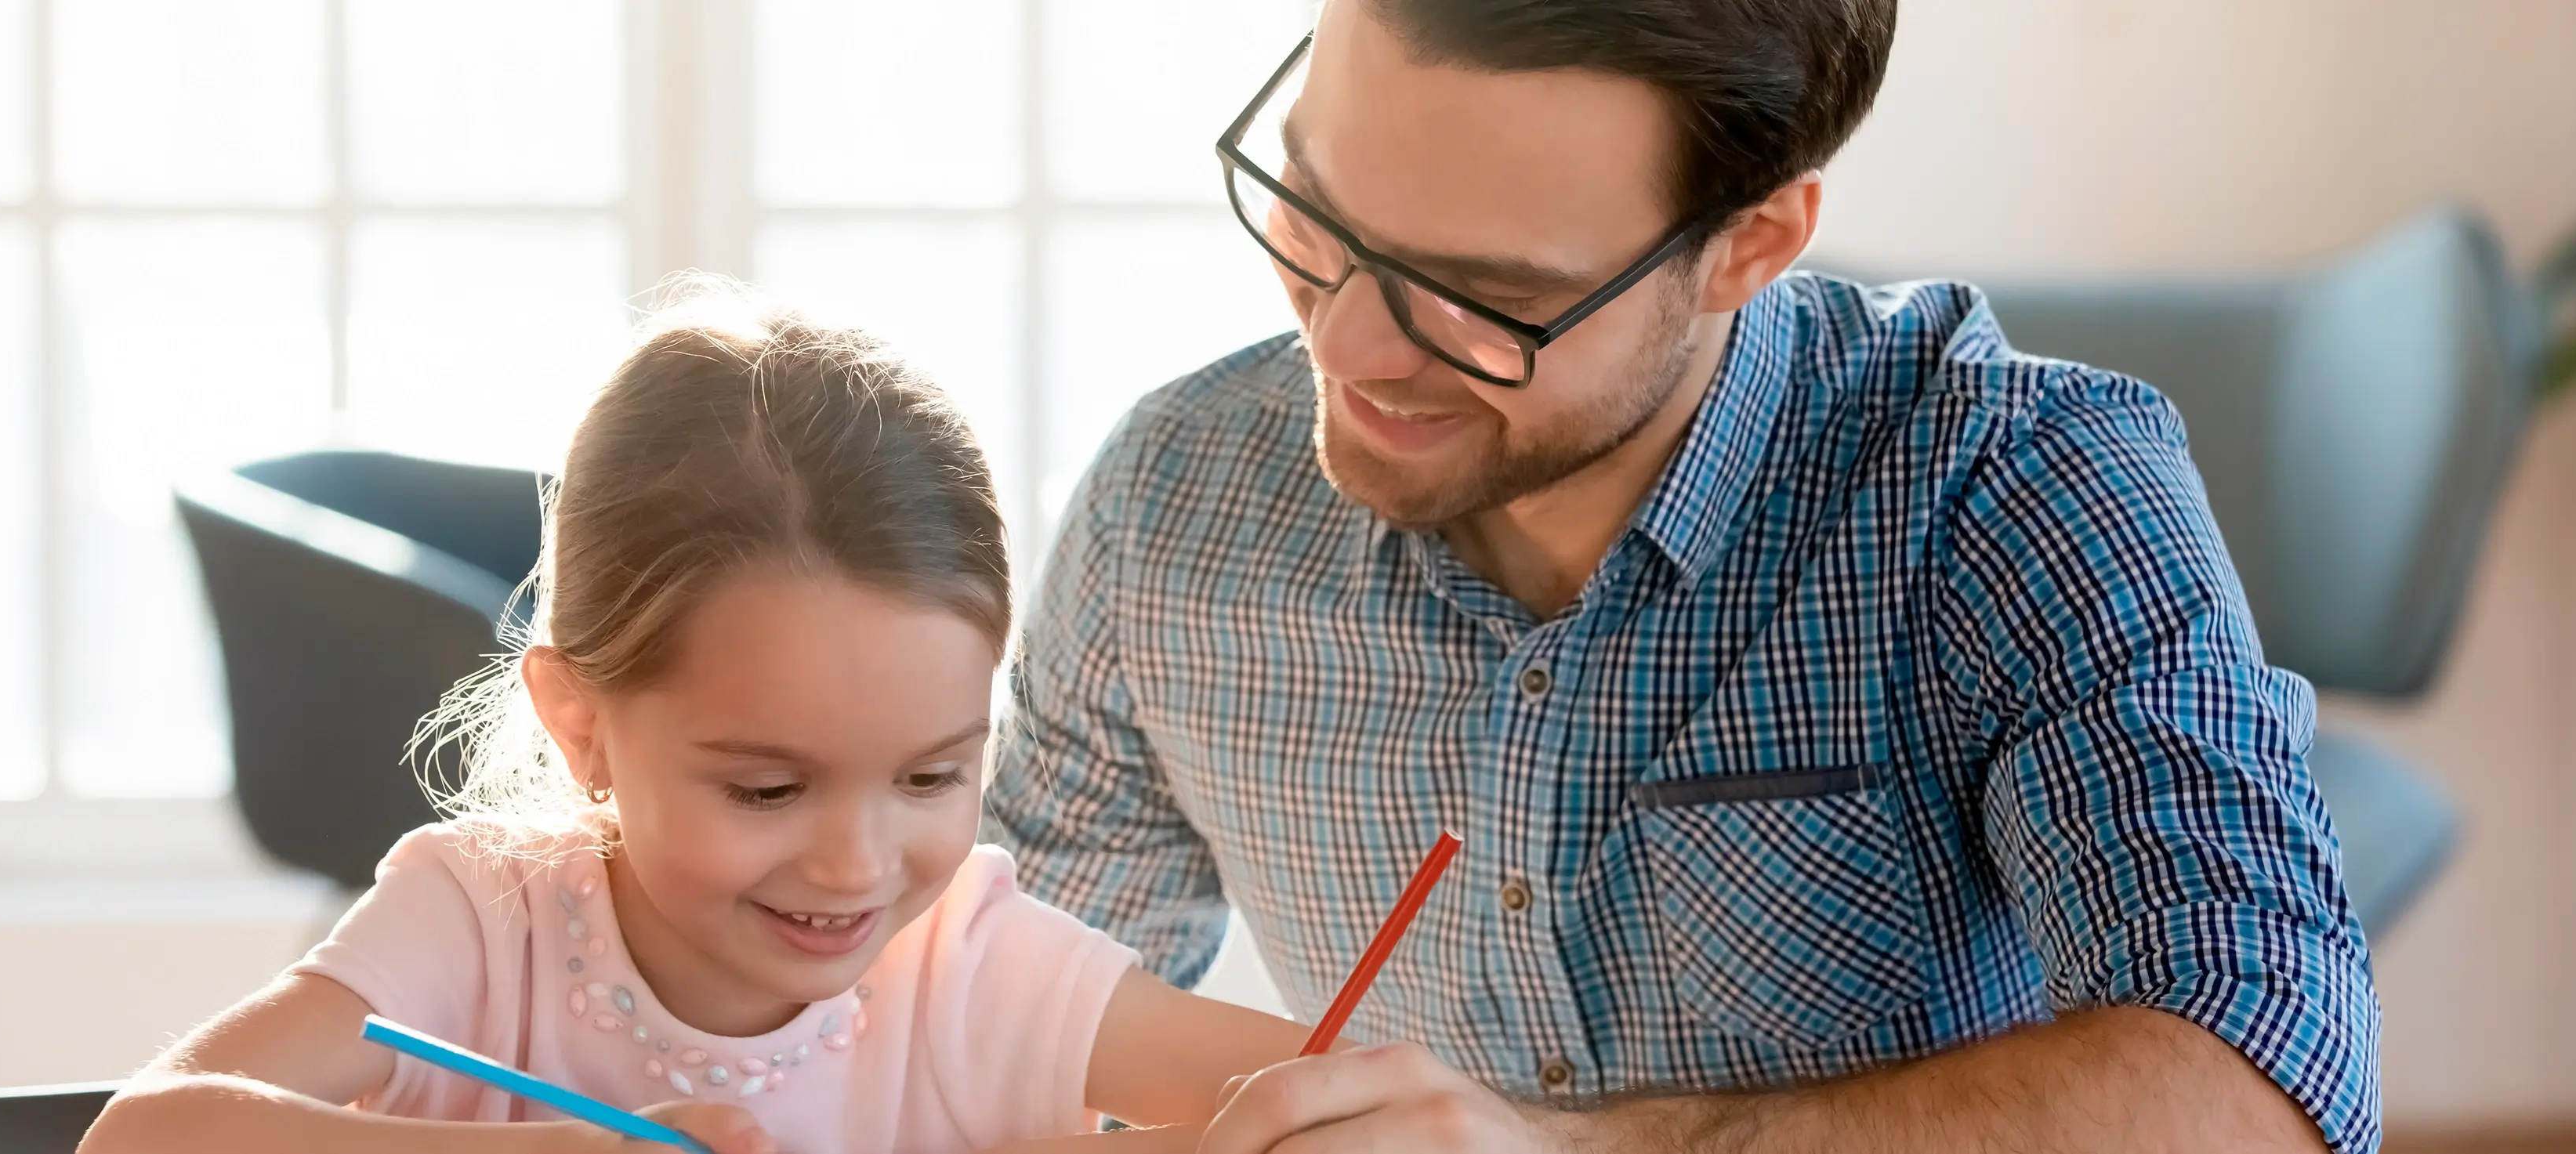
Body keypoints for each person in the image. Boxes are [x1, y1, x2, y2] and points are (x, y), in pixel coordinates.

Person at [987, 2, 2378, 1151]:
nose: (1344, 351)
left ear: (1749, 247)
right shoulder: (1166, 504)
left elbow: (2261, 1080)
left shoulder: (2012, 483)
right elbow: (985, 1012)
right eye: (1312, 211)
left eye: (1482, 297)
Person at [80, 289, 1310, 1154]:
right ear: (582, 723)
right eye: (767, 791)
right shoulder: (479, 923)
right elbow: (145, 1136)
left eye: (933, 777)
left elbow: (1338, 1106)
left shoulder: (974, 967)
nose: (857, 865)